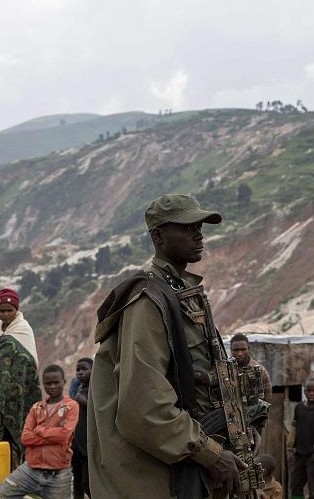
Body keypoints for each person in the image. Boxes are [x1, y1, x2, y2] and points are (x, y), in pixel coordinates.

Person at [88, 194, 243, 498]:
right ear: (158, 235)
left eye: (199, 227)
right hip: (154, 479)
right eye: (187, 228)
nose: (198, 234)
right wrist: (209, 453)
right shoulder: (149, 300)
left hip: (178, 470)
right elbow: (144, 406)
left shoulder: (181, 291)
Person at [0, 288, 41, 466]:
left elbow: (29, 362)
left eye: (9, 310)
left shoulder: (23, 329)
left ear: (17, 309)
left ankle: (16, 473)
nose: (5, 314)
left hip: (16, 394)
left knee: (15, 435)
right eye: (1, 311)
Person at [0, 364, 79, 499]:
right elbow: (26, 438)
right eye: (48, 383)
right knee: (2, 494)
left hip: (58, 473)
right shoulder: (36, 407)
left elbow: (64, 435)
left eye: (56, 383)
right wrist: (53, 434)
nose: (52, 386)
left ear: (64, 382)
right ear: (43, 384)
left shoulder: (71, 406)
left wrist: (39, 430)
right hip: (31, 469)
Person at [71, 358, 92, 499]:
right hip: (76, 445)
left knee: (87, 483)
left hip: (88, 447)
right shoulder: (78, 389)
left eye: (84, 369)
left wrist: (83, 402)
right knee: (77, 482)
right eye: (78, 370)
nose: (80, 372)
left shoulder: (96, 390)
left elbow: (98, 410)